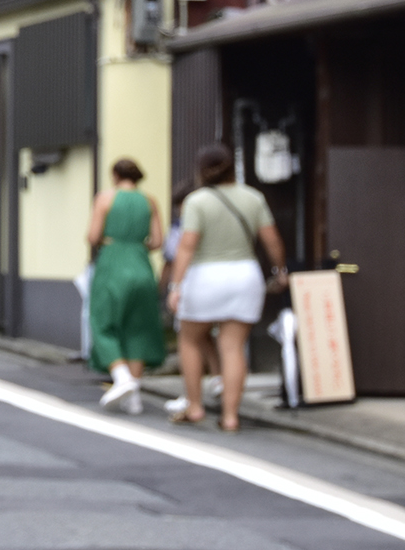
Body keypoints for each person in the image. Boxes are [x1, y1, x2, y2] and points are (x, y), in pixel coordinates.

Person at [167, 143, 286, 431]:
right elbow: (271, 239)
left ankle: (195, 406)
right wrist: (280, 271)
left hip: (204, 277)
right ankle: (230, 416)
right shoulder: (253, 198)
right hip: (245, 276)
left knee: (190, 340)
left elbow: (187, 245)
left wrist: (175, 285)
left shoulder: (197, 201)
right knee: (233, 347)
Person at [87, 158, 167, 413]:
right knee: (138, 328)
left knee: (103, 322)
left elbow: (92, 236)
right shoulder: (150, 201)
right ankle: (135, 398)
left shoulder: (105, 198)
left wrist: (114, 240)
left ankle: (121, 378)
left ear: (114, 175)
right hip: (142, 266)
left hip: (113, 264)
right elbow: (157, 241)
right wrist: (136, 244)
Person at [161, 178, 221, 417]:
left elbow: (172, 257)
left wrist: (168, 286)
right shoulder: (213, 221)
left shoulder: (182, 226)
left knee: (189, 339)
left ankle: (192, 398)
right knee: (206, 336)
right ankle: (218, 380)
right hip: (216, 283)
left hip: (191, 286)